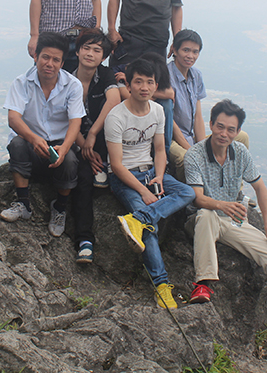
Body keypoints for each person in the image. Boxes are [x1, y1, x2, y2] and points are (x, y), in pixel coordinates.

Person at [183, 99, 267, 350]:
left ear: (238, 131)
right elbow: (198, 198)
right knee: (207, 214)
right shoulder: (195, 155)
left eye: (230, 129)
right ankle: (203, 284)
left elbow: (260, 188)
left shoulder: (240, 153)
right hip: (202, 219)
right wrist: (222, 205)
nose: (224, 133)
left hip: (233, 221)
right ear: (210, 124)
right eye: (220, 126)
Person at [104, 58, 195, 309]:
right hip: (125, 177)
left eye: (150, 82)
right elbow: (117, 165)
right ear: (129, 85)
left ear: (156, 85)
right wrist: (143, 190)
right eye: (138, 82)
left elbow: (160, 149)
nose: (144, 87)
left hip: (151, 171)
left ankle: (139, 218)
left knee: (187, 192)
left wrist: (159, 176)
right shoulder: (116, 117)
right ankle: (161, 285)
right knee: (149, 229)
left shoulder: (157, 110)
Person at [1, 32, 85, 238]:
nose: (50, 64)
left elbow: (75, 121)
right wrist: (33, 138)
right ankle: (23, 203)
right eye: (45, 57)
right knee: (17, 144)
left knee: (70, 159)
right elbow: (13, 119)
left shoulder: (72, 85)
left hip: (59, 144)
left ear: (62, 63)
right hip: (31, 143)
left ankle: (60, 207)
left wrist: (65, 147)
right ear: (36, 56)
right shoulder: (21, 83)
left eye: (56, 60)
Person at [168, 30, 249, 181]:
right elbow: (168, 119)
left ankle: (234, 186)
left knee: (241, 137)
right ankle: (194, 193)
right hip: (172, 139)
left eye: (195, 52)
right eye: (186, 50)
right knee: (185, 158)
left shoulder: (196, 75)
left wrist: (201, 148)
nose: (190, 56)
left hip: (191, 137)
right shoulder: (166, 75)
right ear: (175, 50)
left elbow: (198, 115)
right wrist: (192, 150)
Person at [70, 29, 121, 263]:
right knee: (82, 178)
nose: (90, 54)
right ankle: (85, 241)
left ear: (103, 56)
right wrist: (84, 147)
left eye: (97, 50)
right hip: (74, 139)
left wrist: (92, 134)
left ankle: (105, 166)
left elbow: (114, 100)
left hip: (100, 136)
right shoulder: (67, 78)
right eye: (86, 48)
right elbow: (63, 118)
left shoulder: (105, 75)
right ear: (78, 51)